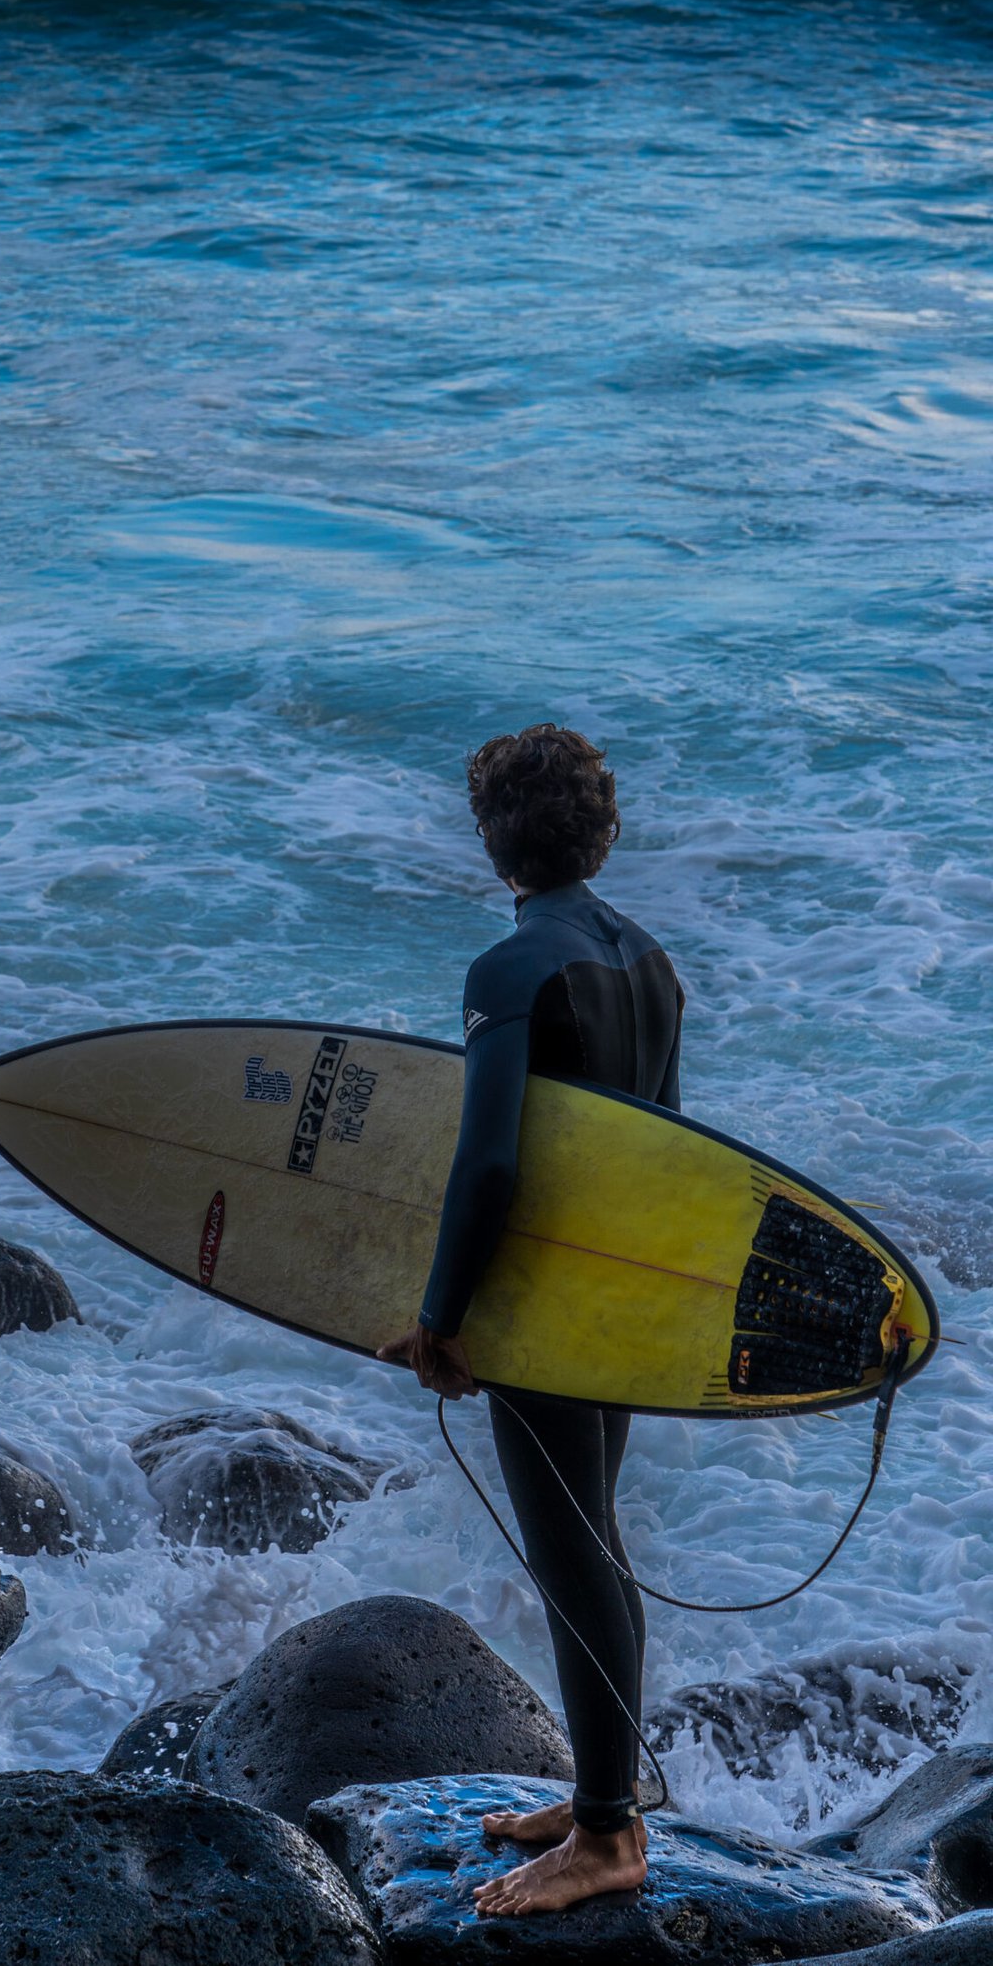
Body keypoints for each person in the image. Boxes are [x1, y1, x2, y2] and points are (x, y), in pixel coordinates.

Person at [378, 723, 684, 1918]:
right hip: (615, 1296)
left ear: (492, 841)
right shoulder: (651, 961)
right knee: (594, 1538)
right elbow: (670, 1162)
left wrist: (438, 1314)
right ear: (598, 832)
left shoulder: (509, 972)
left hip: (540, 1302)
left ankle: (605, 1834)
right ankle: (603, 1795)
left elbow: (488, 1164)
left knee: (572, 1555)